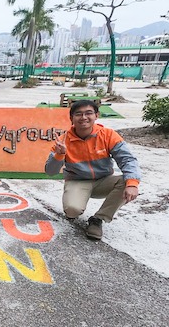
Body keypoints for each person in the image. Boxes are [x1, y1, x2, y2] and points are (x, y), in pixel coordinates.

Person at [45, 100, 141, 240]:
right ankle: (75, 201)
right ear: (71, 118)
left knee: (126, 181)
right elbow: (50, 171)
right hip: (78, 181)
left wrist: (132, 183)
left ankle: (98, 219)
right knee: (73, 211)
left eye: (88, 113)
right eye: (78, 114)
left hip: (104, 181)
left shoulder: (108, 135)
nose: (84, 117)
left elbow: (128, 159)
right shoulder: (62, 141)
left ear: (96, 115)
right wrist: (60, 155)